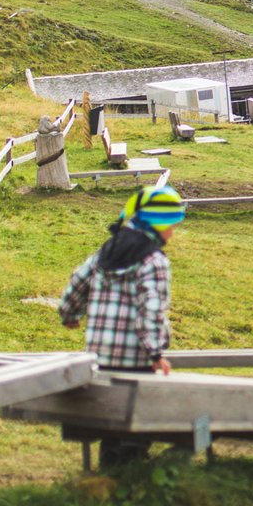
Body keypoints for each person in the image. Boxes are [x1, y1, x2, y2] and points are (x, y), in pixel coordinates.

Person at [58, 184, 185, 467]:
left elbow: (78, 281)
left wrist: (70, 314)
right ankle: (129, 470)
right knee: (135, 418)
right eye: (171, 225)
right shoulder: (154, 261)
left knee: (110, 413)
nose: (172, 233)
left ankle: (111, 467)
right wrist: (156, 353)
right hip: (134, 358)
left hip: (100, 355)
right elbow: (150, 311)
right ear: (157, 223)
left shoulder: (108, 251)